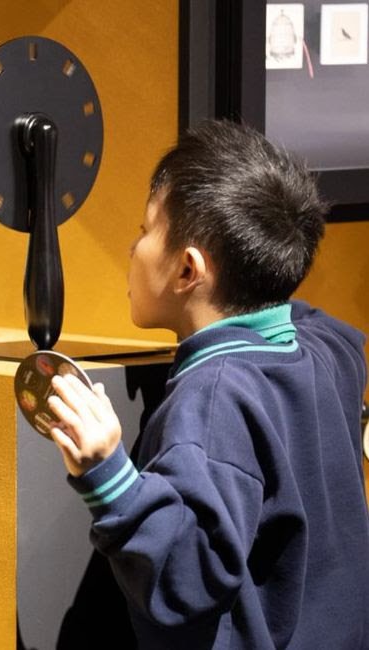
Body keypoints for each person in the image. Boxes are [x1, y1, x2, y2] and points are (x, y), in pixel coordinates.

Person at [46, 120, 369, 648]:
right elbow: (308, 316)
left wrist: (108, 475)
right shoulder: (328, 350)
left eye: (145, 230)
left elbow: (185, 579)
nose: (133, 248)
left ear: (187, 270)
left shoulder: (214, 398)